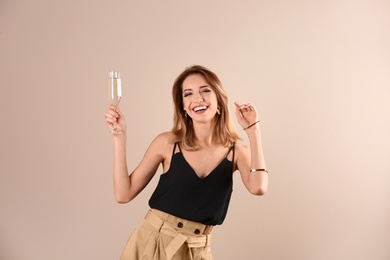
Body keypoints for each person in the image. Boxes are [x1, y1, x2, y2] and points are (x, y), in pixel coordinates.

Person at [104, 65, 268, 260]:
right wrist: (119, 137)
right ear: (182, 105)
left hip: (197, 250)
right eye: (188, 94)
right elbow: (123, 194)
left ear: (219, 99)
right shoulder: (167, 143)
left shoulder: (237, 152)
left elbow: (258, 187)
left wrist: (253, 131)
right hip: (153, 243)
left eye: (205, 90)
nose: (197, 99)